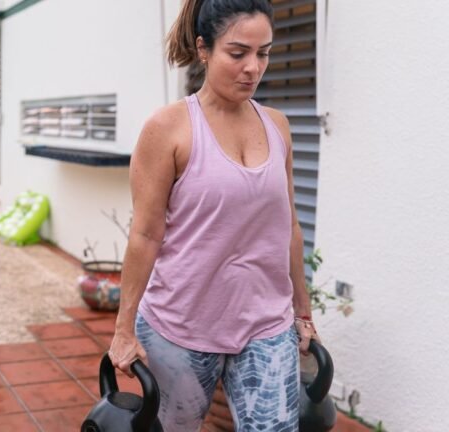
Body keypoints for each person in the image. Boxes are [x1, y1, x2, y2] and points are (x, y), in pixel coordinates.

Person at [108, 0, 319, 430]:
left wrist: (303, 310)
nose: (252, 68)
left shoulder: (277, 126)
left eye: (263, 53)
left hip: (266, 324)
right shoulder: (167, 128)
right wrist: (123, 329)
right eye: (237, 53)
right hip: (180, 327)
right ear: (203, 50)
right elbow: (146, 236)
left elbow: (290, 225)